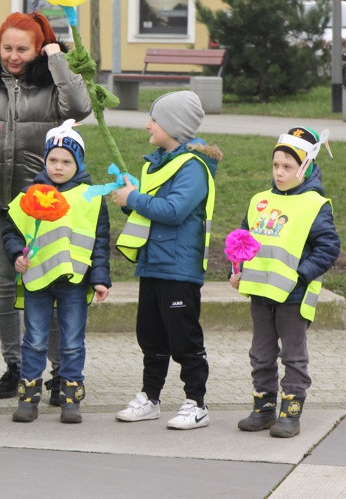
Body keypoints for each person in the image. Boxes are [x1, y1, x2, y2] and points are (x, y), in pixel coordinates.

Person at [0, 11, 92, 403]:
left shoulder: (51, 79)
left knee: (52, 283)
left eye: (22, 49)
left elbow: (80, 107)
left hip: (42, 200)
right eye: (6, 47)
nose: (12, 56)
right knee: (5, 288)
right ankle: (17, 367)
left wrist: (57, 58)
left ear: (39, 47)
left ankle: (61, 374)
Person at [111, 91, 221, 430]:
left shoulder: (193, 168)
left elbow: (173, 212)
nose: (148, 124)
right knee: (151, 335)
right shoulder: (158, 162)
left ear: (173, 127)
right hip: (153, 264)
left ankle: (196, 403)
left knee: (183, 337)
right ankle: (151, 397)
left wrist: (136, 198)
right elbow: (150, 209)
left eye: (154, 120)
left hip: (179, 269)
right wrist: (131, 198)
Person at [230, 127, 340, 438]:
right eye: (276, 165)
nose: (280, 172)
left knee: (293, 355)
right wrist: (235, 270)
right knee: (261, 353)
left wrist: (301, 276)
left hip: (294, 297)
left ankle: (290, 411)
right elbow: (242, 239)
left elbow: (329, 247)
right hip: (260, 293)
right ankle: (264, 408)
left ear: (305, 167)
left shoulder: (315, 204)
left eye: (288, 167)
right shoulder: (259, 201)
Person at [3, 121, 111, 424]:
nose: (59, 167)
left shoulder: (91, 197)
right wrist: (16, 256)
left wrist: (101, 278)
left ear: (78, 163)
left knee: (73, 341)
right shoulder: (30, 194)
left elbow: (100, 241)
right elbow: (12, 232)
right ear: (45, 160)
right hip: (37, 278)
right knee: (34, 339)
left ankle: (70, 397)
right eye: (53, 160)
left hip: (74, 281)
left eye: (67, 161)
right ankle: (28, 398)